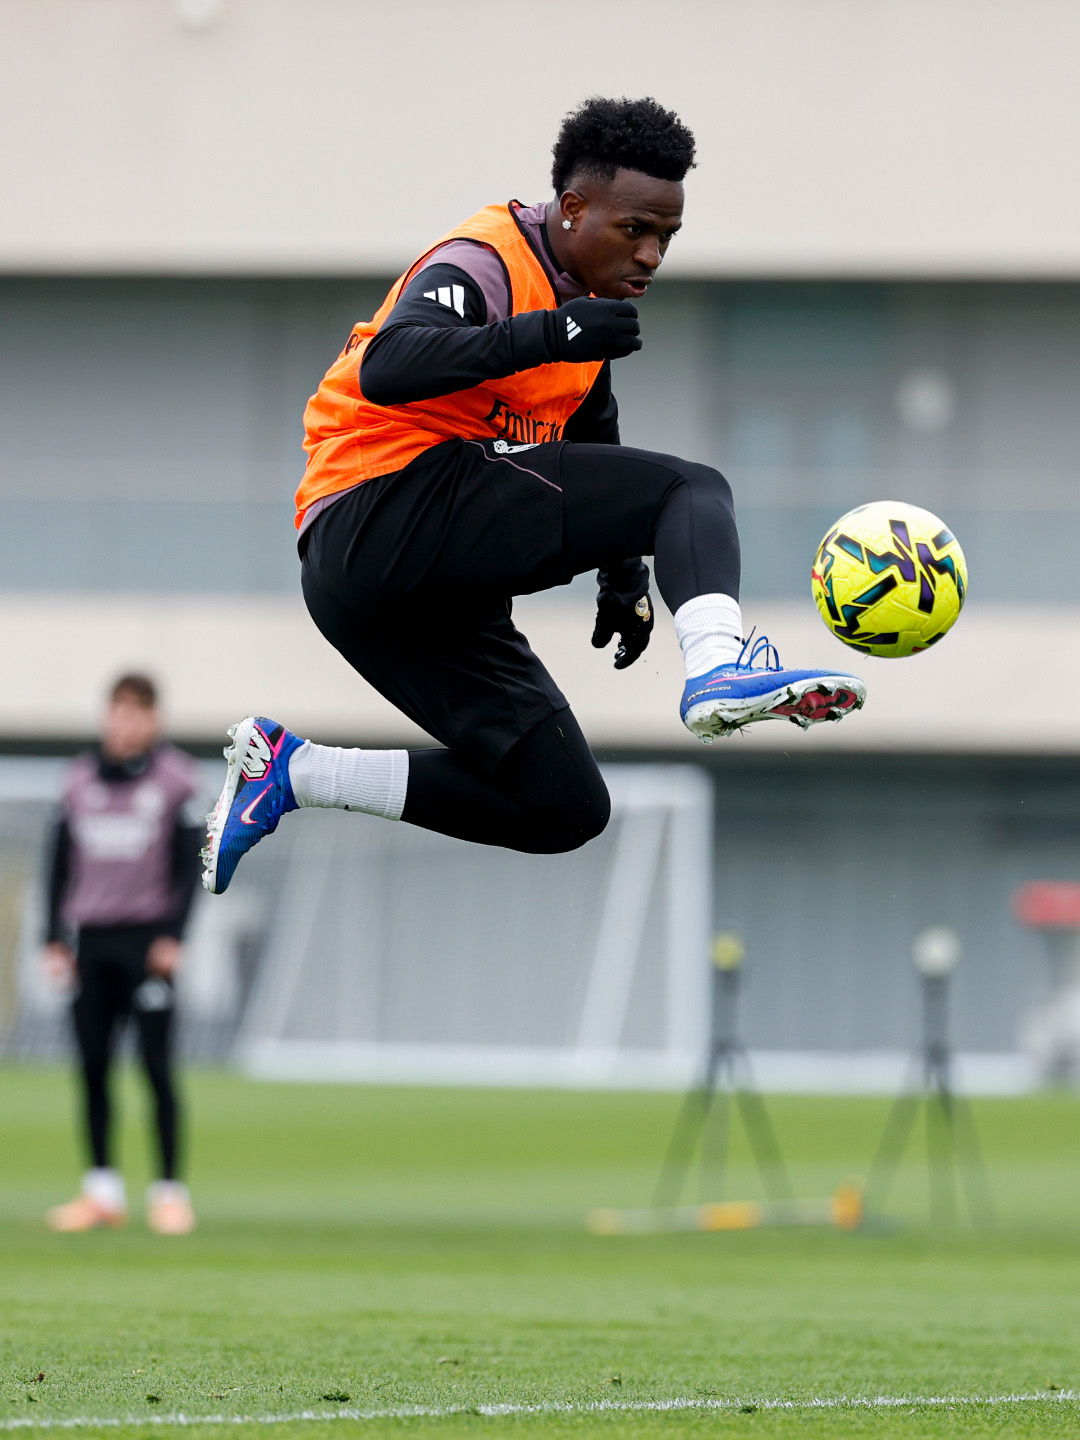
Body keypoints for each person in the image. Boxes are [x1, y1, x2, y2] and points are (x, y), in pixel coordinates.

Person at [201, 95, 866, 896]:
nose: (652, 254)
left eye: (667, 236)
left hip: (388, 595)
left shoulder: (588, 310)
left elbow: (594, 444)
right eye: (635, 229)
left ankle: (292, 773)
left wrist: (624, 577)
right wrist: (555, 332)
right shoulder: (484, 258)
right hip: (377, 509)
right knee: (695, 487)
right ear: (573, 209)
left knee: (563, 806)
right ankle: (719, 667)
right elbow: (389, 366)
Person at [42, 674, 203, 1235]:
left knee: (156, 1066)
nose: (125, 724)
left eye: (136, 713)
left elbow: (190, 866)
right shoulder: (78, 779)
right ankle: (102, 1191)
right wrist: (52, 938)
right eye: (118, 712)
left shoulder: (177, 780)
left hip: (147, 941)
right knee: (92, 1065)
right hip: (92, 941)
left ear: (153, 719)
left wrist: (175, 935)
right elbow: (58, 863)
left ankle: (169, 1193)